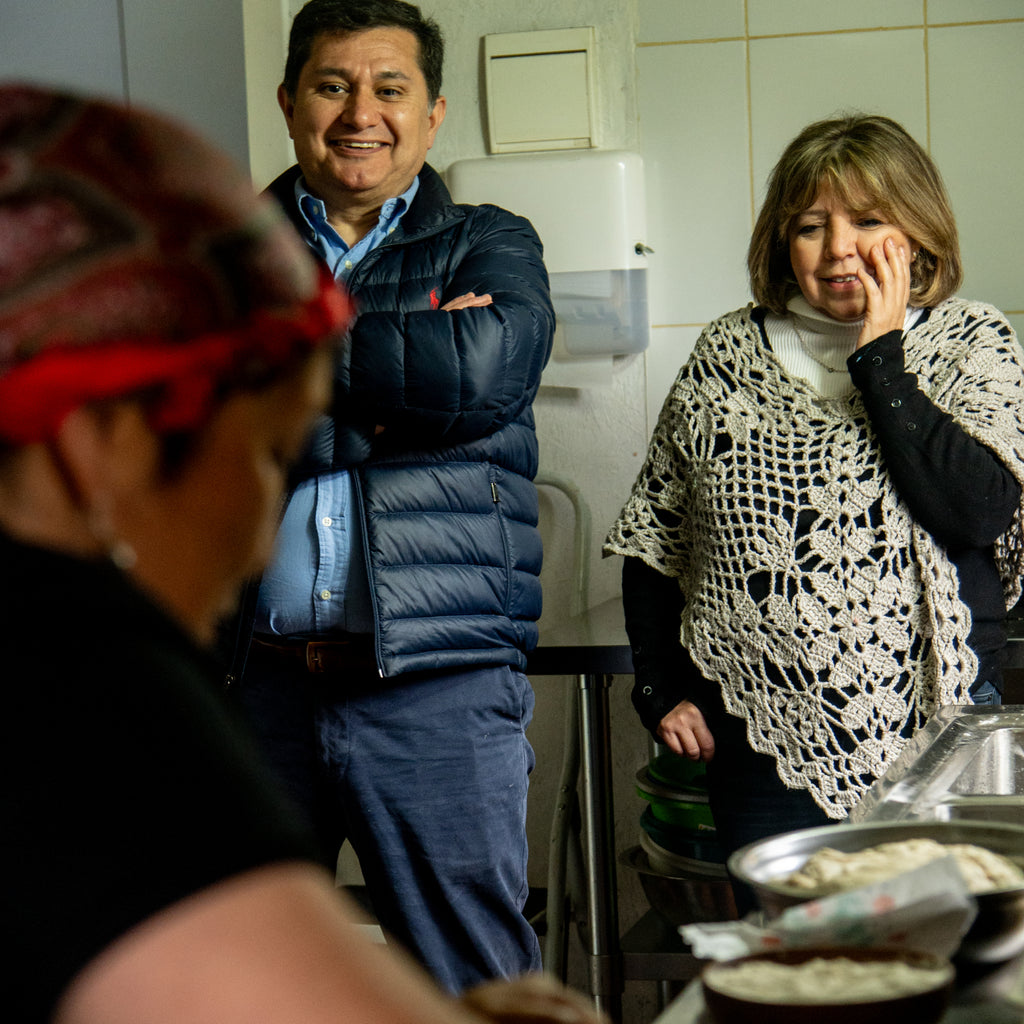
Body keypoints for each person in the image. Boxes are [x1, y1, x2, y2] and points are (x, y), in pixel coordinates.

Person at [0, 82, 601, 1024]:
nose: (257, 530)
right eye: (266, 453)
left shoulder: (487, 234)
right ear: (99, 444)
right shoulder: (86, 680)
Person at [228, 0, 554, 993]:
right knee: (246, 991)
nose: (359, 111)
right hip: (251, 688)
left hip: (437, 685)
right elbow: (179, 419)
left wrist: (282, 364)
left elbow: (481, 372)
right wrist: (400, 386)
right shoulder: (222, 254)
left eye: (389, 87)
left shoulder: (486, 242)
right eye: (332, 85)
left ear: (434, 112)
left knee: (472, 985)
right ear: (289, 103)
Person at [605, 113, 1024, 876]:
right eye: (809, 226)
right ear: (781, 244)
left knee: (943, 962)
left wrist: (883, 357)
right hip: (760, 730)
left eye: (868, 221)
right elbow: (657, 541)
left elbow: (980, 510)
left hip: (944, 726)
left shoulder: (971, 340)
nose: (838, 250)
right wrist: (659, 688)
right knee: (795, 962)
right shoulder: (727, 356)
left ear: (919, 231)